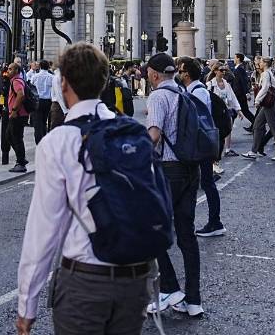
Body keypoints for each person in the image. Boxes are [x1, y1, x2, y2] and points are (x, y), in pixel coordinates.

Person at [14, 43, 157, 335]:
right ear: (105, 81)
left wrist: (26, 305)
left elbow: (43, 232)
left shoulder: (57, 142)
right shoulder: (132, 132)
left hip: (85, 283)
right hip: (136, 281)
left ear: (63, 82)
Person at [144, 53, 204, 317]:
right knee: (186, 235)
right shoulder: (184, 93)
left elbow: (154, 135)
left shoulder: (158, 96)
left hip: (169, 171)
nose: (147, 76)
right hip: (191, 169)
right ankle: (193, 301)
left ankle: (169, 287)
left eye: (148, 73)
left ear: (155, 74)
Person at [178, 56, 226, 238]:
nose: (179, 74)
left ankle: (215, 222)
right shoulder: (197, 89)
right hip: (201, 142)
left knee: (205, 182)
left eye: (181, 71)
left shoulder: (196, 92)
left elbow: (193, 120)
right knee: (203, 182)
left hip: (199, 143)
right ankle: (211, 221)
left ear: (187, 74)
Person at [242, 56, 275, 160]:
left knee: (274, 127)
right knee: (257, 125)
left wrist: (257, 100)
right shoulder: (268, 73)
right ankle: (254, 150)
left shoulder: (266, 74)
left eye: (261, 62)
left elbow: (265, 88)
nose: (259, 64)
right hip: (269, 103)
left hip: (268, 104)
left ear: (265, 64)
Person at [208, 66, 240, 157]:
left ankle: (227, 149)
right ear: (215, 71)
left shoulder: (227, 84)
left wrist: (238, 110)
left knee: (228, 128)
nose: (224, 72)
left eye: (225, 70)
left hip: (226, 109)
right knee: (216, 131)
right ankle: (214, 152)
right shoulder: (210, 84)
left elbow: (233, 97)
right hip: (215, 111)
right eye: (221, 70)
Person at [7, 62, 31, 173]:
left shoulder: (16, 81)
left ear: (16, 70)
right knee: (10, 136)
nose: (8, 71)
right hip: (19, 114)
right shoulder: (16, 80)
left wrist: (14, 110)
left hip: (18, 114)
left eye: (10, 69)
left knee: (16, 138)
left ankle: (21, 163)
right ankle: (21, 158)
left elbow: (21, 95)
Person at [29, 60, 55, 144]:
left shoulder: (35, 76)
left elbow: (31, 87)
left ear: (40, 66)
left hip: (37, 100)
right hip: (47, 101)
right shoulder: (51, 77)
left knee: (37, 122)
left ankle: (38, 141)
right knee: (44, 120)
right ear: (48, 67)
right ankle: (44, 138)